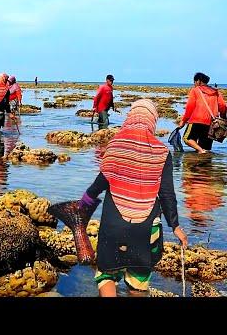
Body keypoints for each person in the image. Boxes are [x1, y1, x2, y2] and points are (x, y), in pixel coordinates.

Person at [49, 99, 188, 297]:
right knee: (139, 280)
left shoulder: (115, 146)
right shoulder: (162, 152)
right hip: (147, 228)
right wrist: (175, 226)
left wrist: (82, 207)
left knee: (106, 274)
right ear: (152, 119)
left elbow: (98, 186)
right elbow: (167, 195)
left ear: (131, 118)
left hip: (114, 226)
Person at [178, 72, 226, 153]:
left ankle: (200, 151)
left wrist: (183, 121)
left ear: (198, 81)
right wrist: (223, 117)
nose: (194, 84)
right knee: (205, 147)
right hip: (211, 123)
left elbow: (190, 107)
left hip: (196, 120)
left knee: (187, 139)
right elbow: (223, 106)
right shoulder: (216, 92)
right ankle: (203, 162)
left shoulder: (195, 90)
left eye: (194, 82)